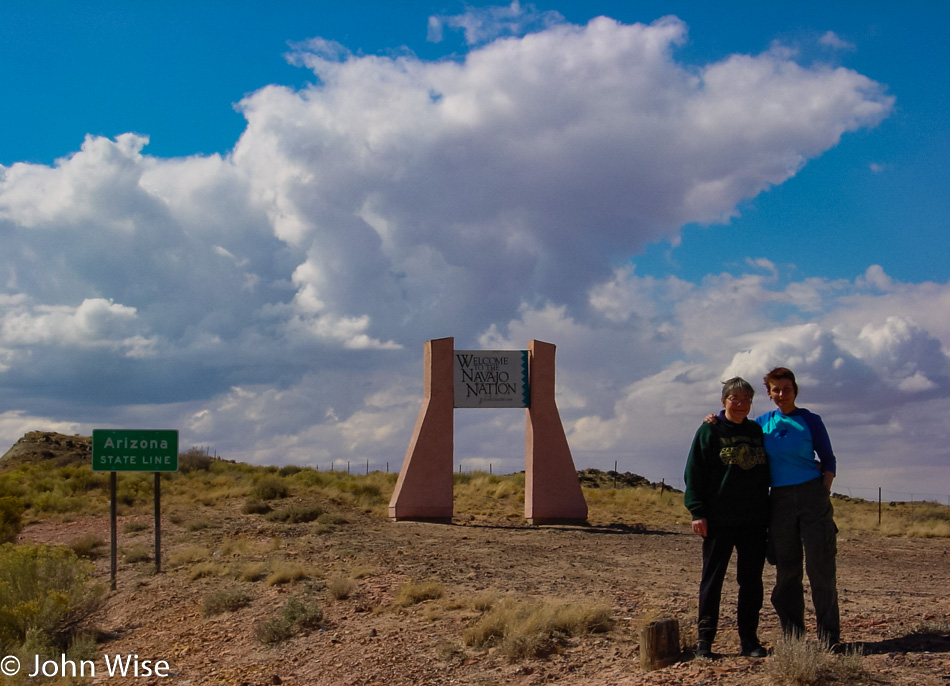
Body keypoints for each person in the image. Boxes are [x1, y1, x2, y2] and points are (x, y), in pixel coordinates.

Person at [684, 377, 770, 659]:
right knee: (713, 579)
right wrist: (697, 511)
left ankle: (749, 639)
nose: (742, 404)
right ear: (724, 401)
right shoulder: (709, 430)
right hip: (719, 519)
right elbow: (694, 472)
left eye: (747, 399)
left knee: (751, 581)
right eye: (735, 399)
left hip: (753, 520)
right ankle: (705, 641)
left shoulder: (757, 431)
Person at [757, 367, 840, 649]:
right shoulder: (761, 424)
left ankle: (829, 637)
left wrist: (822, 490)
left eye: (787, 389)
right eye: (775, 389)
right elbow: (732, 429)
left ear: (795, 390)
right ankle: (793, 636)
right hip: (779, 500)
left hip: (812, 496)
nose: (782, 394)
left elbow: (828, 459)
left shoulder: (810, 420)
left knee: (821, 567)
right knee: (787, 570)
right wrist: (715, 418)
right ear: (769, 393)